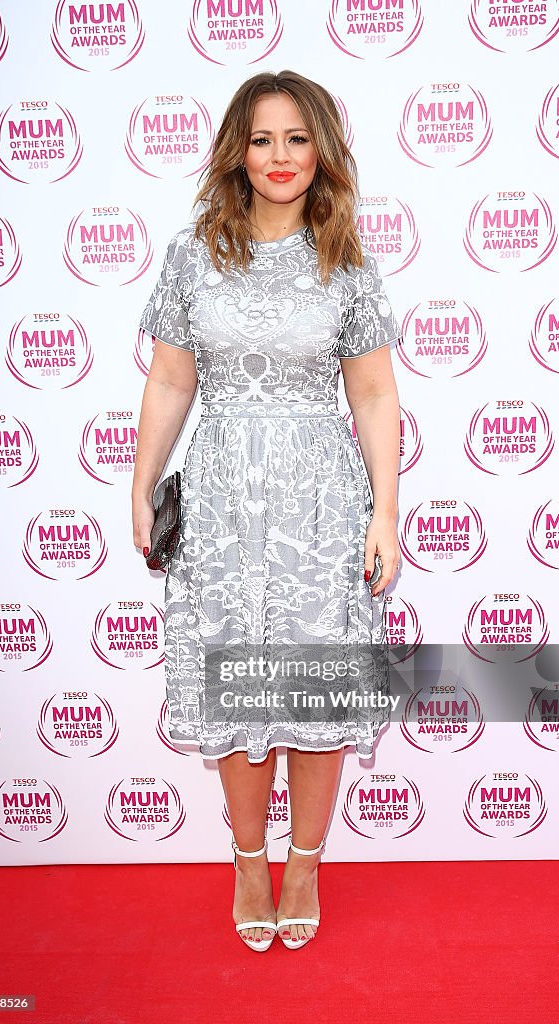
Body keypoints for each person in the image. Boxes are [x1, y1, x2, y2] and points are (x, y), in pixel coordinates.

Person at [132, 69, 402, 952]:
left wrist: (384, 513)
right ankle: (250, 859)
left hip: (320, 500)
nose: (279, 157)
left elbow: (371, 398)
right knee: (235, 683)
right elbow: (173, 377)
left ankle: (305, 863)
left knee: (314, 688)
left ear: (320, 147)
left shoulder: (347, 258)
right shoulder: (192, 251)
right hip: (217, 499)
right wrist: (142, 483)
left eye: (295, 138)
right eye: (260, 139)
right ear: (235, 152)